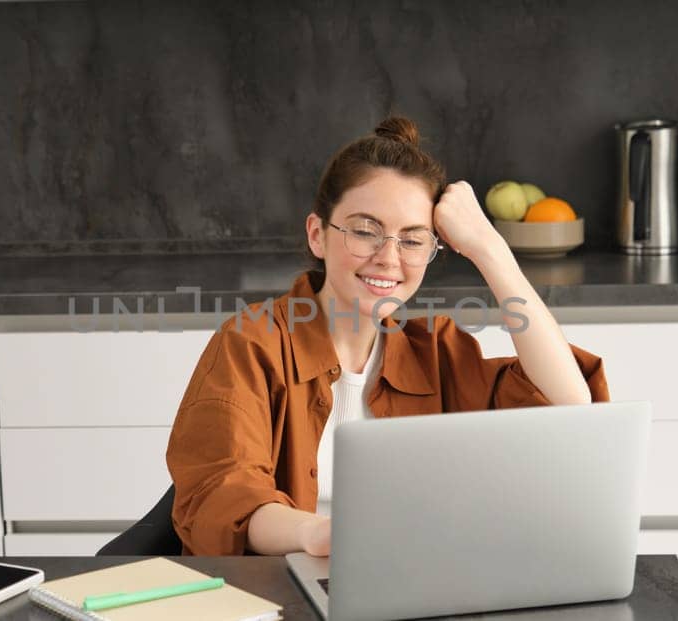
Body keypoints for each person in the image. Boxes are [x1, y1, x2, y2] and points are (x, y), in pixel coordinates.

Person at [165, 115, 610, 557]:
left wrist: (491, 251)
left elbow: (568, 409)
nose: (388, 258)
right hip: (278, 593)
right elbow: (221, 497)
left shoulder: (435, 353)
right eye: (365, 231)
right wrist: (318, 536)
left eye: (413, 240)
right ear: (317, 235)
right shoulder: (252, 343)